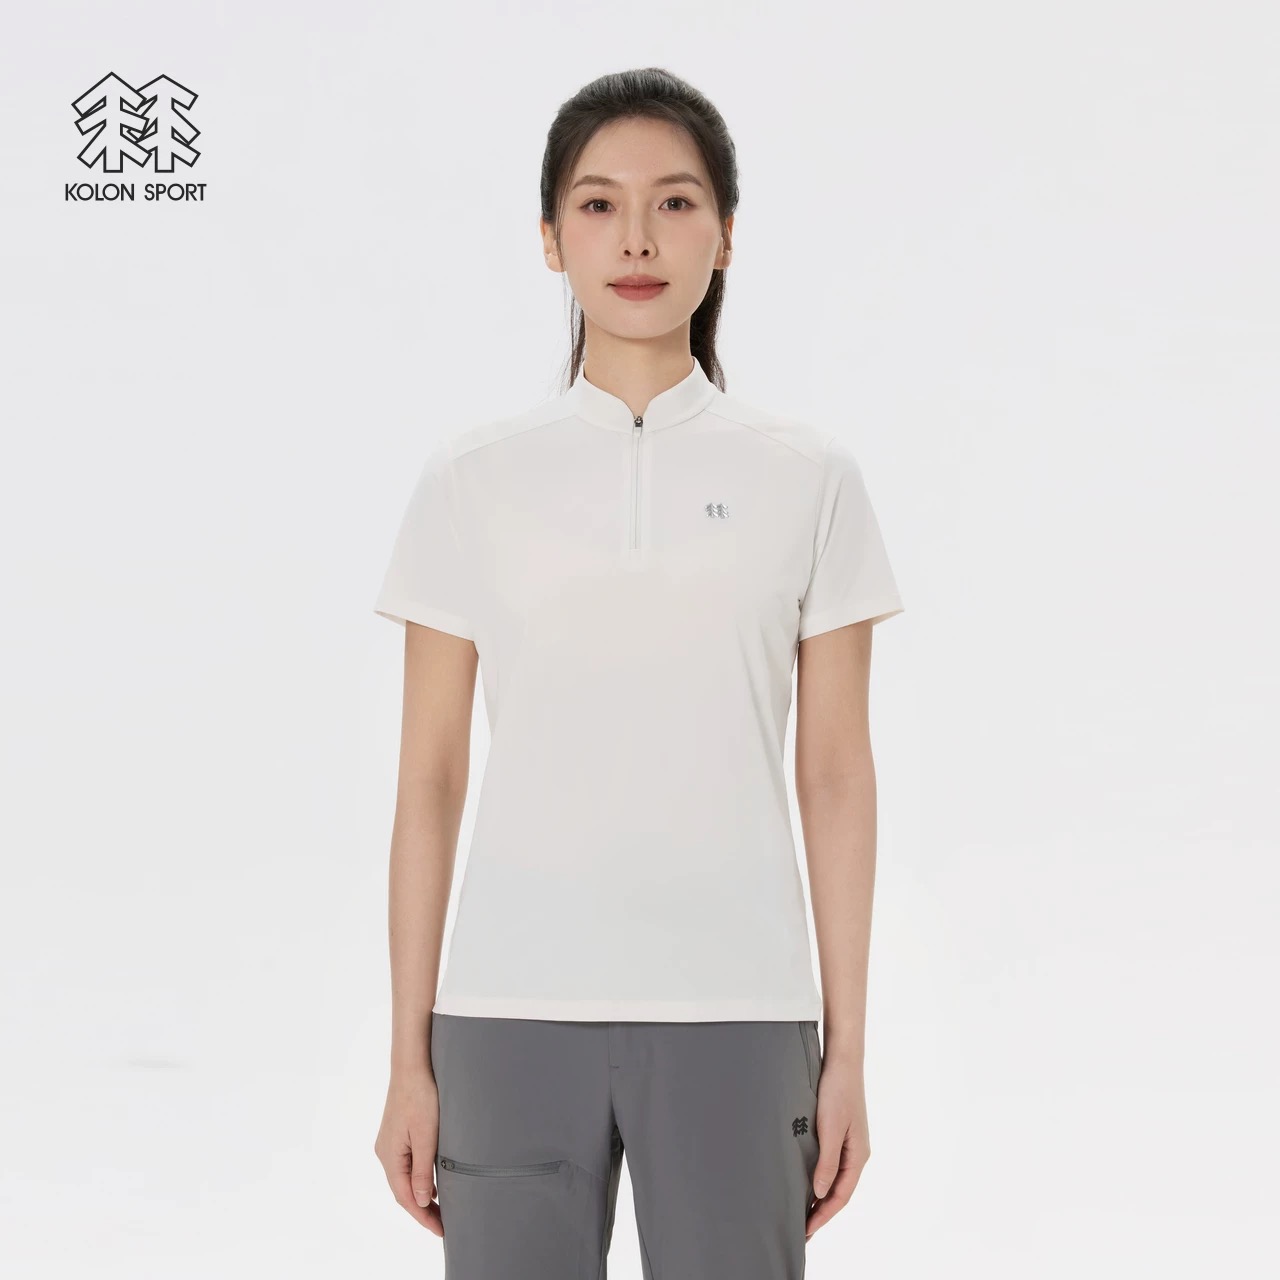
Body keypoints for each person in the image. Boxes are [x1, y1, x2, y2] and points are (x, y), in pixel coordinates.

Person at [371, 66, 905, 1279]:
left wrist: (848, 1051)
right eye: (598, 204)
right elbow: (429, 781)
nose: (636, 239)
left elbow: (834, 775)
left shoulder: (808, 477)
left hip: (740, 1010)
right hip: (506, 1010)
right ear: (549, 238)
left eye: (673, 202)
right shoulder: (470, 479)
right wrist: (408, 1056)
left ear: (725, 232)